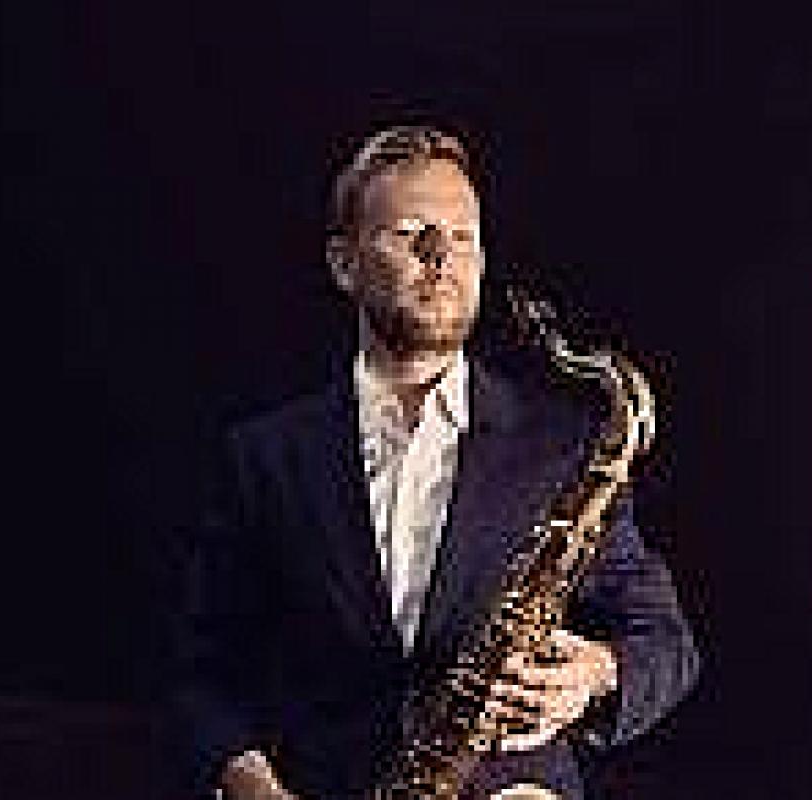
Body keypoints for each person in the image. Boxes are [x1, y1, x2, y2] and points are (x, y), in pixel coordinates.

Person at [168, 125, 701, 799]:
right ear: (343, 264)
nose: (440, 257)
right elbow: (204, 675)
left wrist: (594, 673)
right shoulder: (267, 459)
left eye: (462, 236)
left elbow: (666, 641)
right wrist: (253, 786)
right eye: (410, 233)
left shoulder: (561, 449)